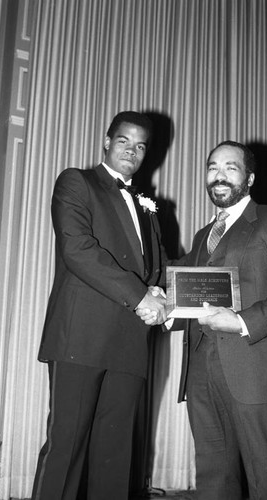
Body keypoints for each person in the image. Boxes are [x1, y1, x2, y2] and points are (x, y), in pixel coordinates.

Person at [138, 140, 267, 499]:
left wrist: (242, 322)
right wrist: (161, 302)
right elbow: (185, 288)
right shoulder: (201, 237)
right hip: (200, 372)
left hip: (255, 367)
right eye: (212, 168)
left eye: (230, 167)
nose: (219, 175)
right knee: (212, 476)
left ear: (250, 177)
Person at [31, 111, 167, 500]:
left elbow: (156, 267)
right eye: (124, 141)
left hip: (130, 340)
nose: (132, 151)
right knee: (67, 447)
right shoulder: (77, 181)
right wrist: (142, 295)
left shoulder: (147, 203)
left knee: (115, 454)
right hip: (81, 334)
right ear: (106, 142)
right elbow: (78, 250)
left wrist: (172, 291)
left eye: (141, 146)